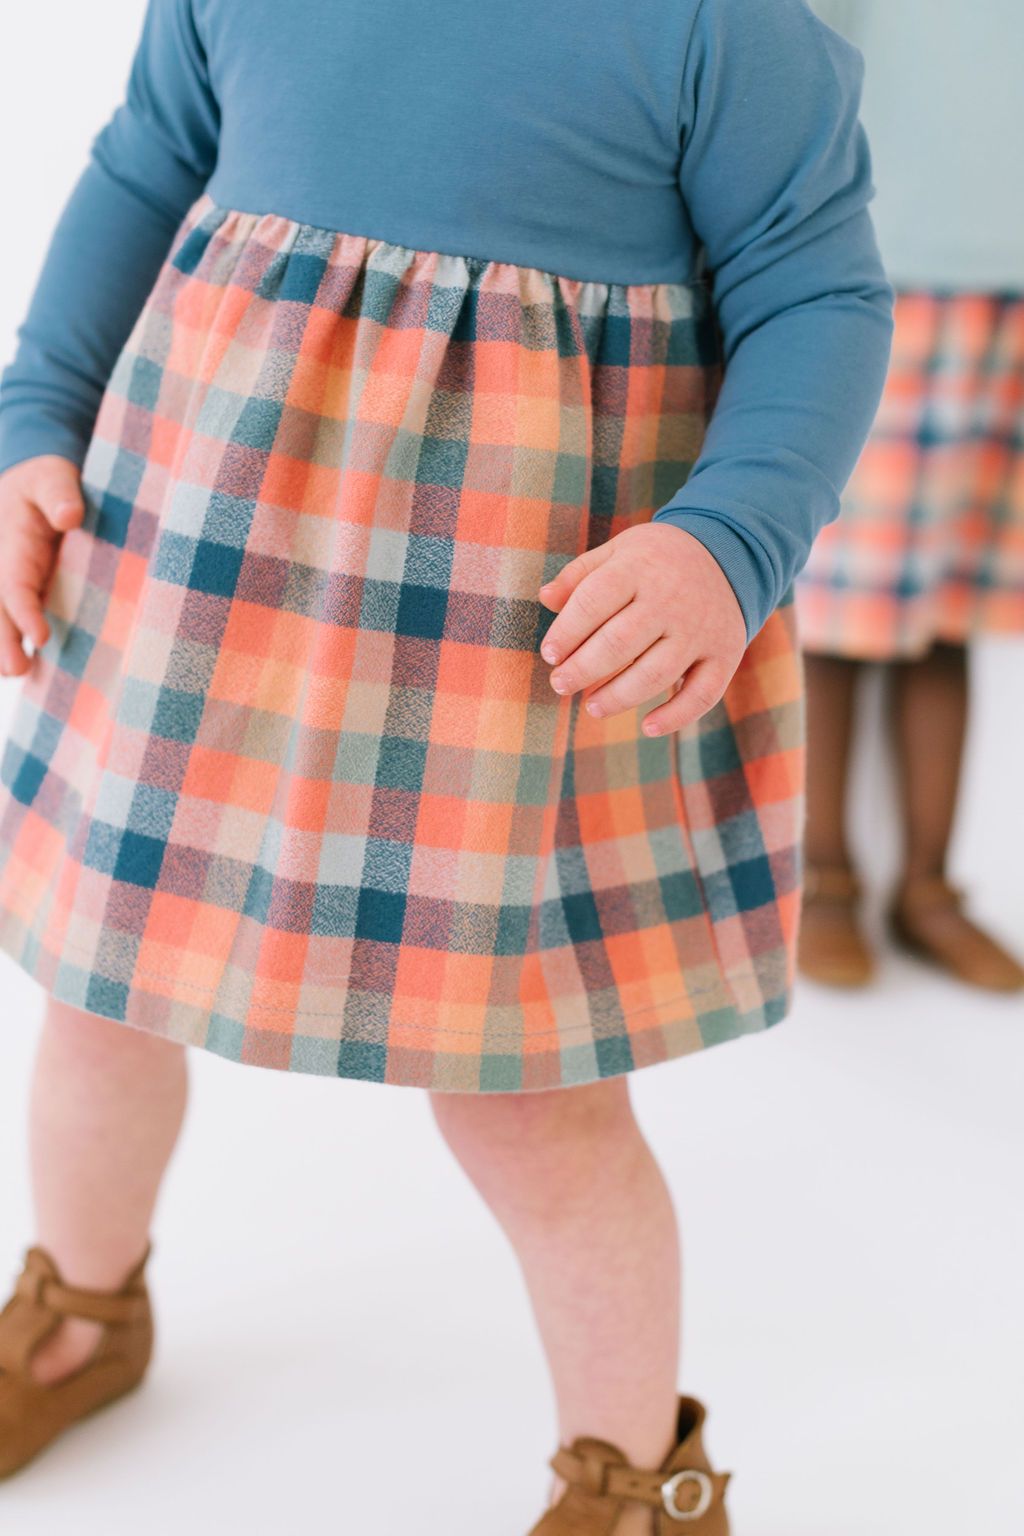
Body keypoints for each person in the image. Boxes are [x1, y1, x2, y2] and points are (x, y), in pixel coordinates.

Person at [0, 2, 891, 1528]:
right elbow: (141, 170)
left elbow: (818, 294)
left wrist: (727, 536)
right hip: (210, 568)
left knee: (532, 1089)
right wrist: (32, 419)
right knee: (100, 983)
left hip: (505, 628)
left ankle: (634, 1469)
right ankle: (82, 1308)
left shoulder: (725, 32)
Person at [798, 0, 1024, 992]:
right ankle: (818, 878)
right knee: (838, 609)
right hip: (886, 271)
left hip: (1008, 287)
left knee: (949, 613)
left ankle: (927, 887)